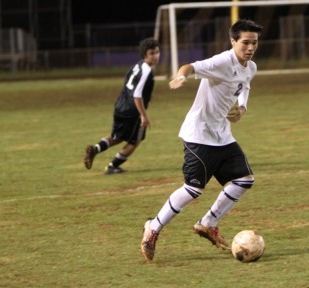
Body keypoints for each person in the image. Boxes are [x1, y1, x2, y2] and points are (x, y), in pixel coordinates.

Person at [140, 19, 263, 262]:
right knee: (193, 188)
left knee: (244, 180)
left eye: (254, 43)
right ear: (233, 41)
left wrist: (242, 108)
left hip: (222, 135)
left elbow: (245, 86)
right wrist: (181, 77)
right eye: (245, 42)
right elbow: (190, 66)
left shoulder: (251, 67)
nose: (250, 48)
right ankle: (152, 227)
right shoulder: (221, 62)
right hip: (199, 134)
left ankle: (208, 223)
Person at [83, 38, 160, 174]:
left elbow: (128, 84)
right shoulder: (147, 71)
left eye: (157, 52)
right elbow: (137, 95)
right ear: (145, 55)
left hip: (120, 106)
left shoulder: (137, 66)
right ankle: (112, 167)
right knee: (135, 141)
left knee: (117, 137)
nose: (156, 56)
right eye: (152, 53)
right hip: (133, 112)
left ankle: (94, 149)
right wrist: (143, 115)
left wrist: (146, 96)